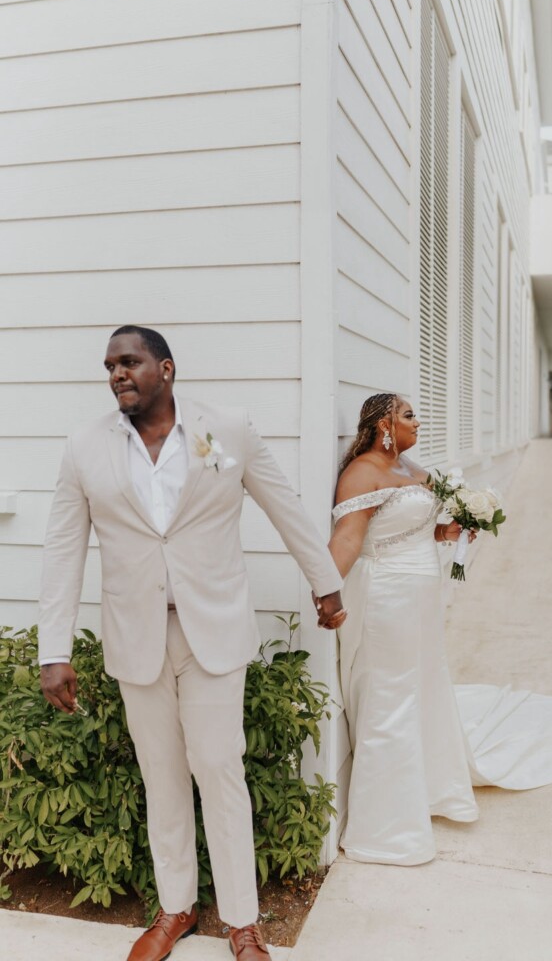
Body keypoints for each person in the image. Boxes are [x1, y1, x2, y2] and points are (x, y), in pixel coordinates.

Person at [38, 325, 345, 961]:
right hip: (136, 634)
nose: (118, 374)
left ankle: (242, 923)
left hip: (213, 629)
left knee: (219, 769)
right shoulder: (84, 446)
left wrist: (326, 582)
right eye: (110, 366)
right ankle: (175, 907)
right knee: (162, 778)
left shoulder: (224, 430)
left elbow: (283, 503)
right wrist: (54, 649)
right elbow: (64, 548)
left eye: (130, 362)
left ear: (166, 369)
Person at [320, 392, 552, 866]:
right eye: (409, 415)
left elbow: (408, 526)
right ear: (385, 424)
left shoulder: (412, 469)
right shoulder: (361, 472)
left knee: (421, 688)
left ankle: (426, 787)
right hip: (387, 598)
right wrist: (325, 588)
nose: (419, 422)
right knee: (391, 698)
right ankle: (385, 826)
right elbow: (349, 538)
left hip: (421, 602)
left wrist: (450, 530)